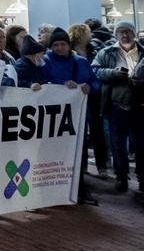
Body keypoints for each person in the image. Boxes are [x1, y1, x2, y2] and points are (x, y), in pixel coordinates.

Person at [42, 27, 98, 205]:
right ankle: (52, 189)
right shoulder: (45, 62)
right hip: (53, 118)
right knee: (54, 153)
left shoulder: (81, 62)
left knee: (78, 153)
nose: (59, 48)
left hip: (78, 117)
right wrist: (61, 85)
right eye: (55, 45)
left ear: (68, 45)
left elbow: (95, 82)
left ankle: (79, 187)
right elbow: (42, 84)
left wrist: (90, 88)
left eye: (62, 44)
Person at [92, 21, 144, 193]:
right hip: (116, 105)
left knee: (141, 144)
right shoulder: (106, 53)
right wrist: (113, 73)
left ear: (134, 33)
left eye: (128, 31)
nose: (125, 35)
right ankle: (121, 177)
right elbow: (95, 70)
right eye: (121, 32)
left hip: (140, 105)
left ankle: (142, 178)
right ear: (116, 34)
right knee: (118, 145)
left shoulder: (143, 51)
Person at [69, 23, 108, 177]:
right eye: (87, 33)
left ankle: (102, 165)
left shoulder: (93, 50)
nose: (90, 35)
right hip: (75, 97)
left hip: (92, 95)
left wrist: (92, 87)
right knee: (80, 132)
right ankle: (82, 164)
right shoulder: (69, 53)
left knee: (97, 130)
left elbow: (95, 74)